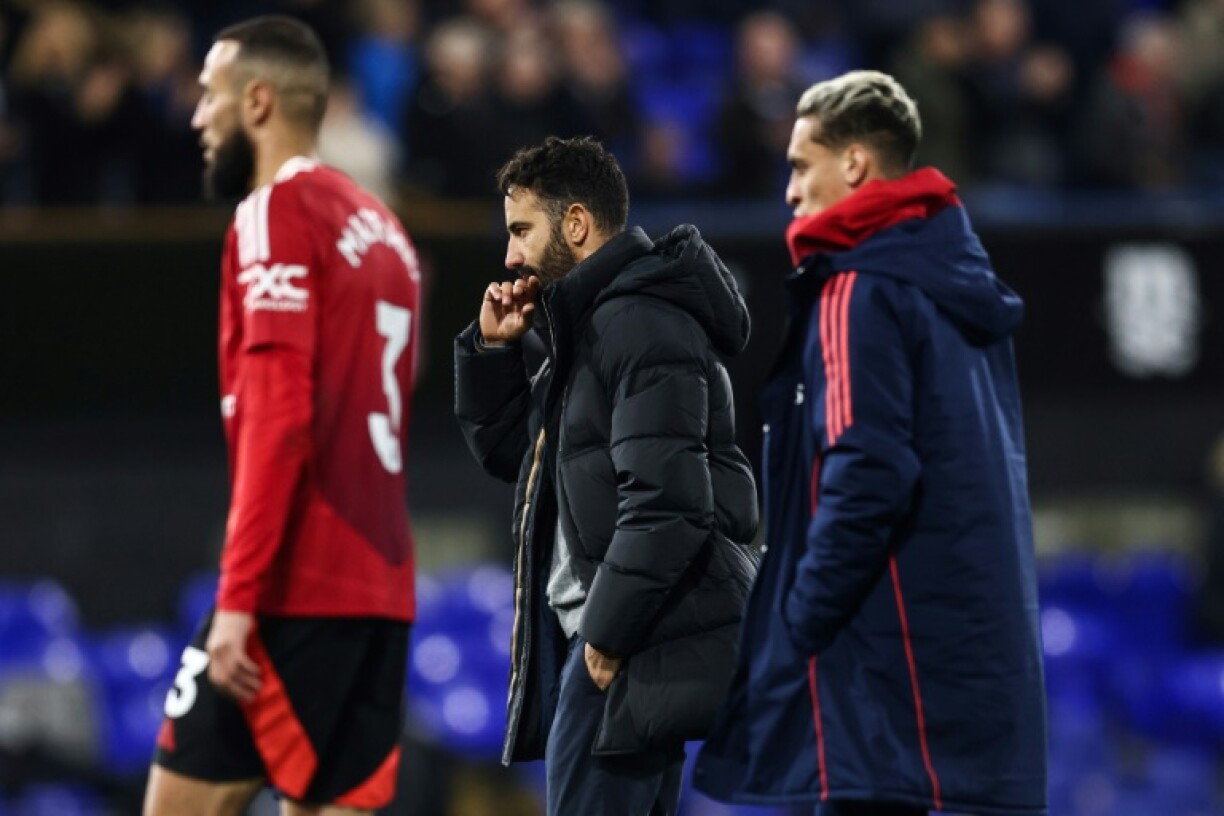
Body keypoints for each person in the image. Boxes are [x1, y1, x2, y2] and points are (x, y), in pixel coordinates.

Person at [694, 70, 1048, 816]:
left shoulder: (857, 288)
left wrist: (800, 618)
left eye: (800, 165)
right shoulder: (961, 283)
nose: (789, 191)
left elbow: (867, 470)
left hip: (885, 688)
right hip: (980, 682)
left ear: (853, 163)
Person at [144, 16, 421, 816]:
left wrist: (237, 601)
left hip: (296, 588)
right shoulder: (385, 232)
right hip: (383, 594)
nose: (198, 116)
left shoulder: (273, 214)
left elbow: (279, 418)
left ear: (257, 101)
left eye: (209, 95)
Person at [453, 135, 758, 816]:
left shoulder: (640, 325)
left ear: (577, 224)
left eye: (522, 230)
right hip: (614, 639)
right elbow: (514, 460)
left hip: (629, 644)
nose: (510, 255)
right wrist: (493, 352)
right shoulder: (590, 327)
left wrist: (607, 635)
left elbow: (670, 505)